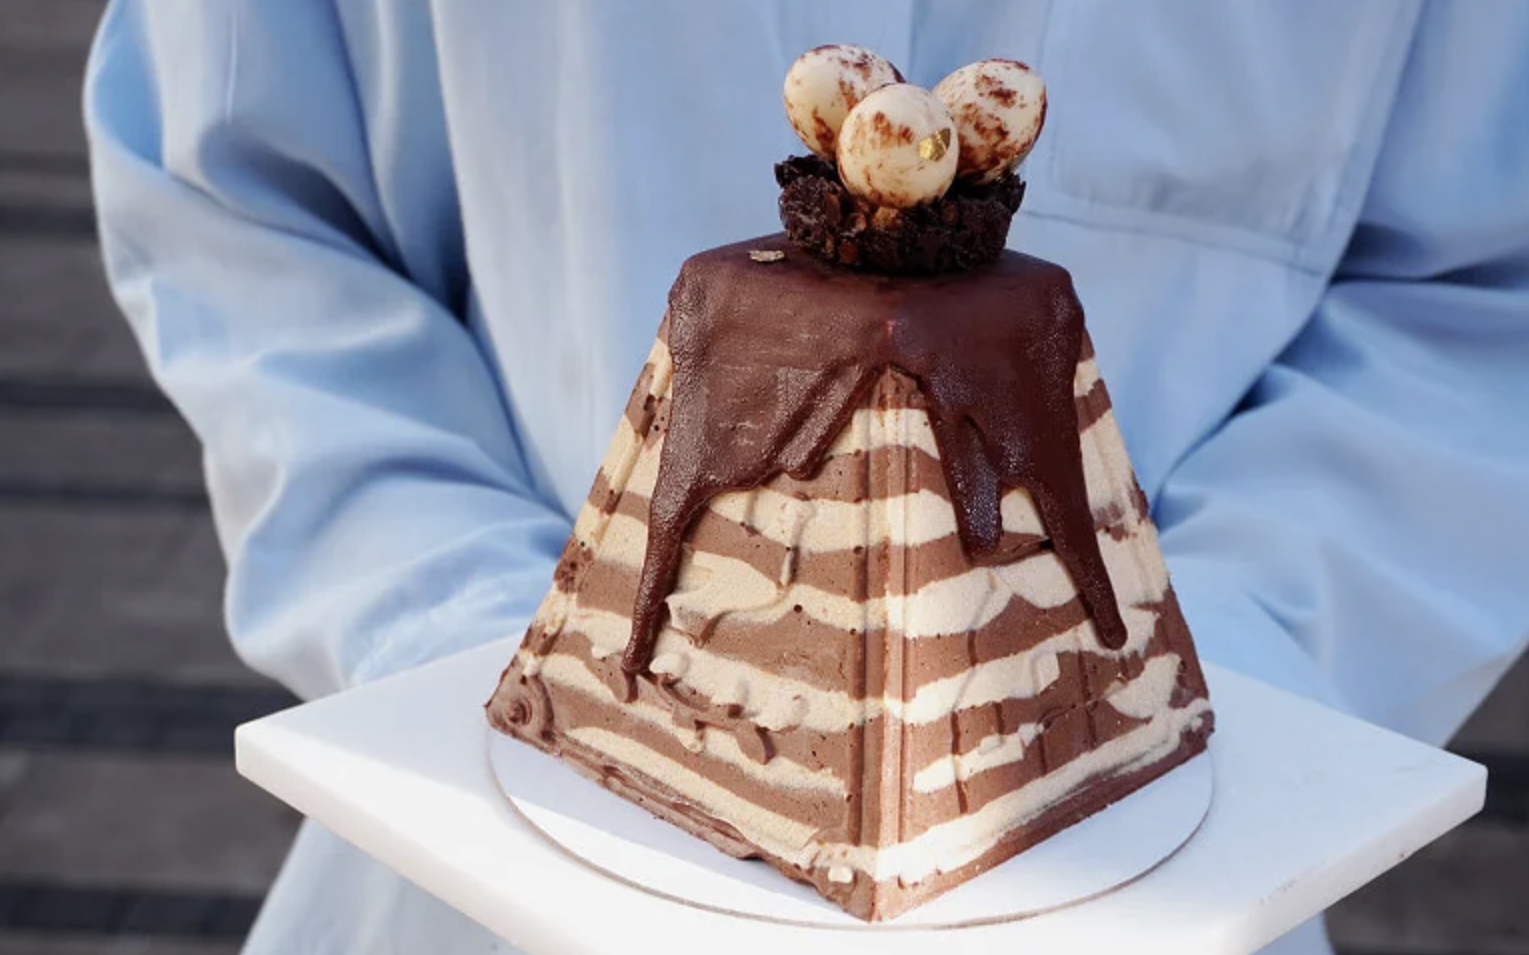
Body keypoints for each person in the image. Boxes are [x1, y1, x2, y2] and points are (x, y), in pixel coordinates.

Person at [84, 2, 1529, 953]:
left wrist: (1114, 716)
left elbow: (1478, 296)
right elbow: (239, 204)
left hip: (1161, 860)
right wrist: (529, 659)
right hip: (486, 866)